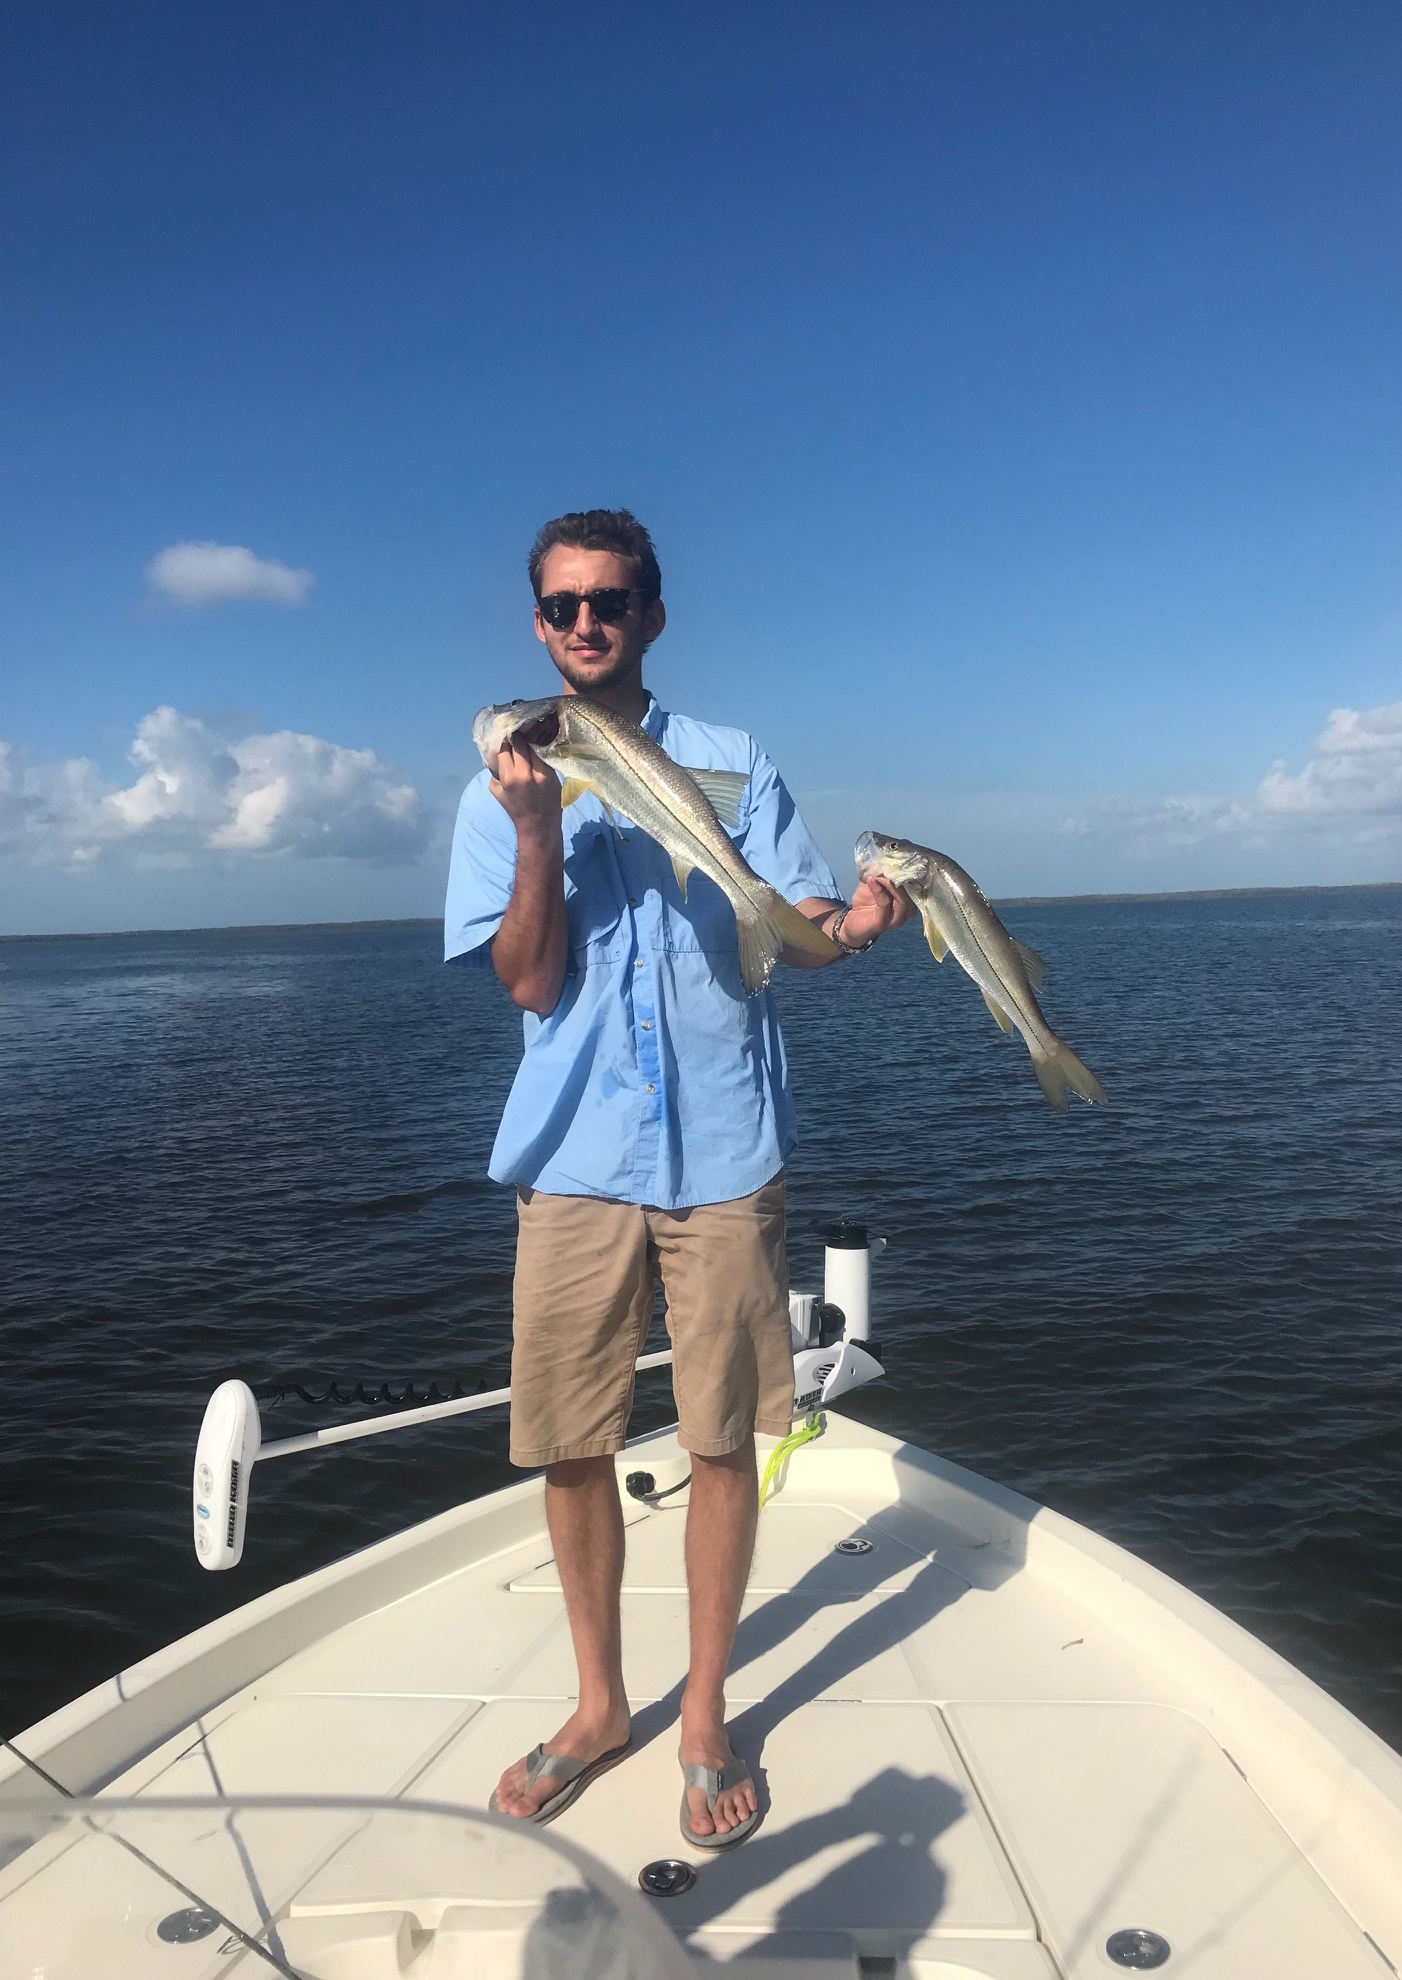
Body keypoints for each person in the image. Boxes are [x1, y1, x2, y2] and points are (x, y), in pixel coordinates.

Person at [444, 508, 913, 1846]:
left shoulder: (733, 761)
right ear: (538, 628)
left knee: (717, 1437)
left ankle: (702, 1710)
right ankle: (601, 1706)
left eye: (612, 599)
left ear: (653, 611)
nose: (586, 622)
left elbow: (798, 929)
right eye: (562, 607)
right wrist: (538, 832)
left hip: (724, 1148)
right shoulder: (508, 782)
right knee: (571, 1442)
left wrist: (856, 926)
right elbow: (527, 981)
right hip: (573, 1154)